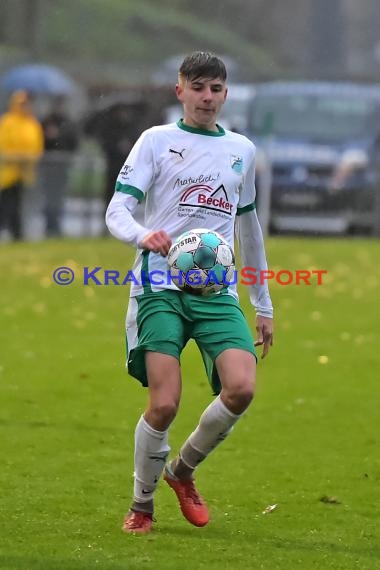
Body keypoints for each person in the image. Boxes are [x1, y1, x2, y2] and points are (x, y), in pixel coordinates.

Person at [105, 51, 274, 534]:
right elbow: (117, 210)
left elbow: (250, 229)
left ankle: (182, 472)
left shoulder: (241, 149)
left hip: (217, 291)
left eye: (216, 89)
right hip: (159, 284)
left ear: (225, 94)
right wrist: (142, 235)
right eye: (198, 87)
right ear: (180, 90)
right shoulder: (156, 141)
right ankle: (141, 505)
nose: (207, 97)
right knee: (164, 404)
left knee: (241, 388)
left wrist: (263, 303)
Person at [0, 90, 44, 240]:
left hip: (25, 172)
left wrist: (28, 158)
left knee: (20, 205)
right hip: (8, 172)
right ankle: (14, 232)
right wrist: (16, 157)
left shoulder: (32, 123)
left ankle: (17, 233)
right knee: (7, 203)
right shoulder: (7, 122)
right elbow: (4, 144)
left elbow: (37, 146)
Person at [40, 96, 79, 237]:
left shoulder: (67, 124)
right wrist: (49, 137)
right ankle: (48, 226)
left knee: (59, 198)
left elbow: (73, 143)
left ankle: (57, 226)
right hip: (47, 168)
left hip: (61, 168)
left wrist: (58, 137)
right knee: (48, 198)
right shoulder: (46, 122)